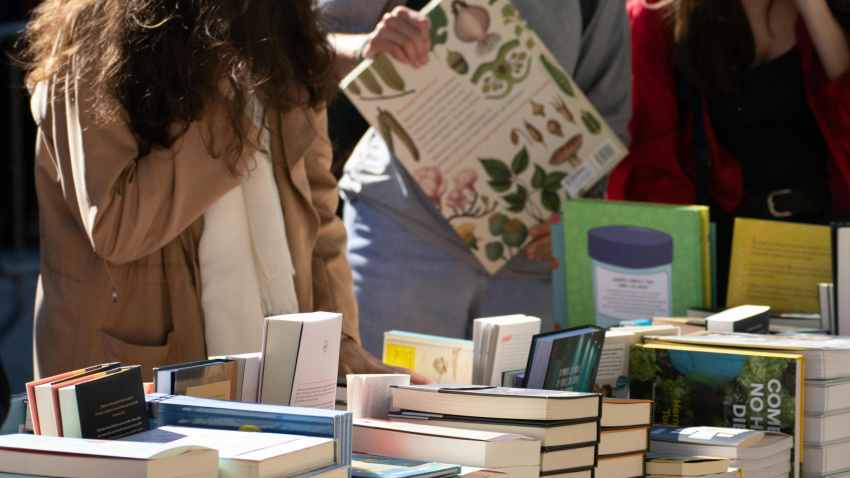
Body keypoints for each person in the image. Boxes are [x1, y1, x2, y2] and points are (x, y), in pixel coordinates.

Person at [21, 0, 421, 382]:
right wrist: (226, 101)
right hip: (127, 387)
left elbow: (315, 208)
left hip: (272, 380)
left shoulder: (274, 23)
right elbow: (116, 226)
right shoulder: (95, 28)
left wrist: (337, 338)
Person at [321, 0, 631, 356]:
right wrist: (366, 48)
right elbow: (307, 45)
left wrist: (577, 214)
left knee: (523, 414)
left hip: (532, 257)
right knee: (385, 409)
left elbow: (607, 113)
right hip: (403, 235)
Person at [608, 0, 850, 305]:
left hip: (830, 245)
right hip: (721, 256)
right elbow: (652, 166)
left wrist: (816, 12)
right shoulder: (658, 17)